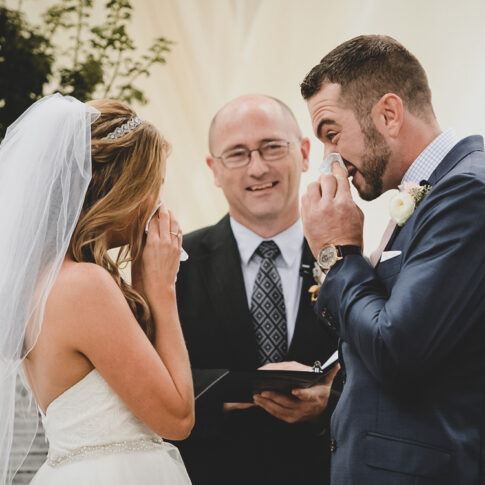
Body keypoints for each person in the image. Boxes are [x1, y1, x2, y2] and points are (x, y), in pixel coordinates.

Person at [300, 34, 485, 484]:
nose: (330, 160)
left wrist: (339, 254)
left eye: (331, 134)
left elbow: (398, 349)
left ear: (388, 113)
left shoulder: (466, 192)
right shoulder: (432, 191)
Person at [0, 94, 194, 485]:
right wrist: (160, 290)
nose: (157, 203)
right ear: (120, 190)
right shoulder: (84, 285)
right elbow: (177, 418)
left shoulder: (42, 281)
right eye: (152, 186)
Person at [173, 94, 340, 485]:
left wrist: (329, 404)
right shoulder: (176, 264)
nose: (257, 167)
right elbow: (151, 377)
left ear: (302, 152)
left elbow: (378, 372)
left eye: (271, 147)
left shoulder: (347, 259)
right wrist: (223, 398)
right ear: (214, 169)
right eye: (237, 154)